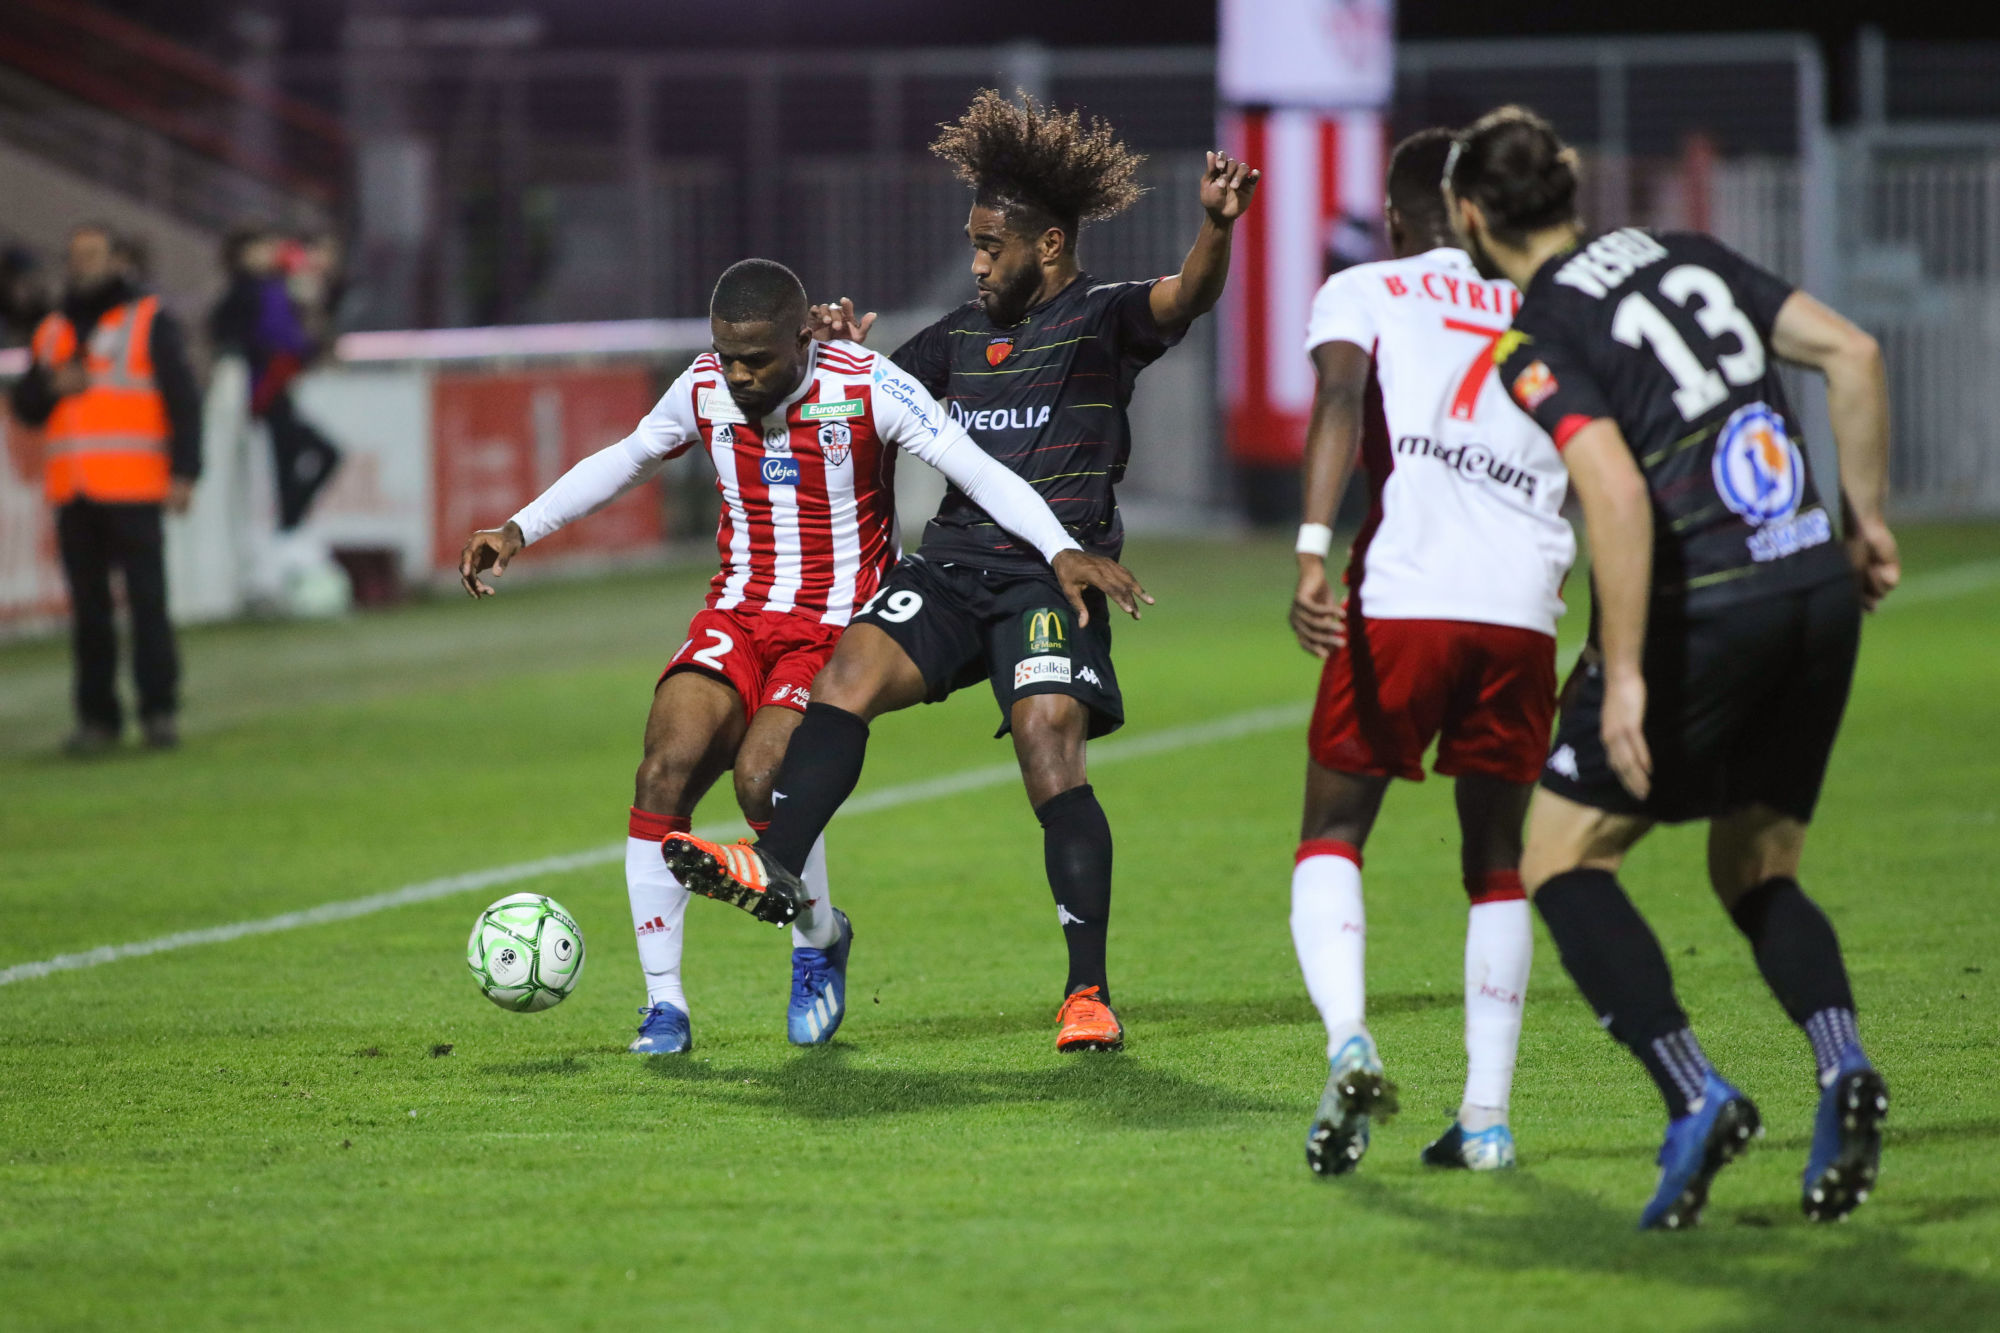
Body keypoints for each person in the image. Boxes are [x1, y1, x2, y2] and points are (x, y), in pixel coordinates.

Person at [661, 90, 1256, 1053]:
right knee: (844, 676)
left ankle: (1087, 991)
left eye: (991, 246)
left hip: (1046, 581)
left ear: (1049, 245)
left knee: (1049, 744)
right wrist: (842, 352)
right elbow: (872, 392)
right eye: (973, 244)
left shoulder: (1103, 320)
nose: (977, 263)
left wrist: (1214, 231)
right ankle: (775, 866)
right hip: (951, 570)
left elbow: (1185, 297)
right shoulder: (954, 339)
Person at [458, 258, 1142, 1053]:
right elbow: (630, 455)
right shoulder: (704, 383)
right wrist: (518, 528)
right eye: (726, 353)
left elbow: (979, 470)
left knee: (763, 776)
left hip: (834, 622)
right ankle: (664, 1003)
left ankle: (817, 942)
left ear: (802, 339)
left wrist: (1061, 548)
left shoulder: (867, 385)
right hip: (740, 612)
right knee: (662, 766)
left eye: (757, 357)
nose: (739, 373)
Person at [1449, 106, 1898, 1229]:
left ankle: (1694, 1096)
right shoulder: (1681, 253)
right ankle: (1841, 1069)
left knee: (1555, 856)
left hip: (1708, 608)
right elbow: (1853, 351)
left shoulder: (1536, 331)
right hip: (1810, 588)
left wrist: (1627, 672)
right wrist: (1866, 521)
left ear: (1468, 216)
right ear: (1564, 188)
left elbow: (1608, 487)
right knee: (1754, 866)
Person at [1287, 128, 1574, 1177]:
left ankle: (1348, 1040)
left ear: (1401, 216)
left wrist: (1310, 549)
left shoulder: (1363, 286)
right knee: (1498, 860)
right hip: (1522, 611)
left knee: (1331, 829)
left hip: (1405, 598)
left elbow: (1331, 398)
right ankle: (1486, 1118)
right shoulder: (1550, 305)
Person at [9, 223, 202, 753]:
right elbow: (26, 406)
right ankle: (97, 719)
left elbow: (182, 399)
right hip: (74, 491)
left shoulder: (147, 320)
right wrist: (51, 386)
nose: (82, 265)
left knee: (148, 605)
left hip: (135, 486)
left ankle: (158, 711)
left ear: (119, 261)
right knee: (89, 614)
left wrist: (185, 471)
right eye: (76, 256)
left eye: (93, 255)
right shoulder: (52, 328)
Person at [208, 224, 341, 531]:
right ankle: (285, 528)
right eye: (261, 248)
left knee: (291, 460)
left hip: (274, 387)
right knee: (302, 456)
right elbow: (249, 336)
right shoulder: (247, 291)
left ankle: (286, 526)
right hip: (263, 388)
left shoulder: (274, 288)